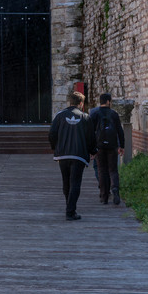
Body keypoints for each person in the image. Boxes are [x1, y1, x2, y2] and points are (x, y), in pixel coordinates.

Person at [49, 91, 96, 220]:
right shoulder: (85, 117)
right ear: (81, 103)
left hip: (62, 155)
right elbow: (90, 137)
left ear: (69, 102)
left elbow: (52, 134)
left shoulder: (59, 116)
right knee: (75, 183)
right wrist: (93, 151)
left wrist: (56, 148)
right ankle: (70, 211)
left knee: (66, 181)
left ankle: (68, 206)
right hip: (79, 154)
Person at [90, 93, 125, 205]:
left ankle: (104, 196)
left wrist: (91, 149)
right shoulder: (114, 114)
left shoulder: (95, 114)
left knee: (102, 170)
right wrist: (122, 146)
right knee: (113, 170)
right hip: (112, 146)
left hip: (99, 147)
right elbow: (120, 131)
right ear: (108, 101)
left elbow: (90, 133)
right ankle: (115, 188)